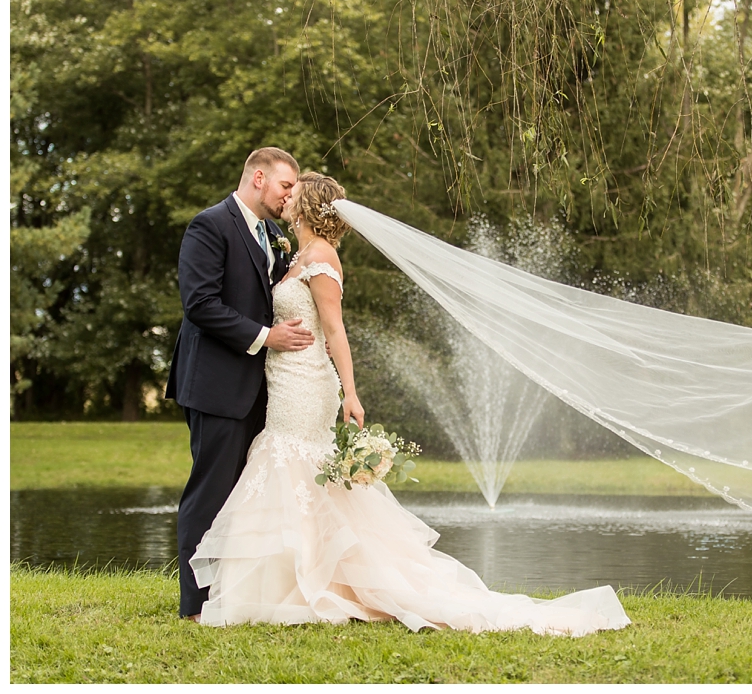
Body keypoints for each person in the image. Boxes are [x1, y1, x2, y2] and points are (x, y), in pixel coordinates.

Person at [188, 172, 630, 635]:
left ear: (308, 206)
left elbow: (336, 331)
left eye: (293, 192)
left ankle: (313, 583)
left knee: (291, 461)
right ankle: (291, 583)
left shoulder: (321, 258)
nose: (286, 197)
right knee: (292, 467)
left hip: (307, 381)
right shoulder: (294, 253)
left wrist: (351, 393)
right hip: (283, 376)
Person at [166, 147, 315, 621]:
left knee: (245, 498)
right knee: (210, 493)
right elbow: (201, 304)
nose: (291, 195)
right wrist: (267, 336)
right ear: (257, 178)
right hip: (215, 384)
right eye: (286, 185)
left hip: (262, 389)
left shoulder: (272, 235)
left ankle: (234, 596)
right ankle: (195, 606)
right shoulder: (209, 225)